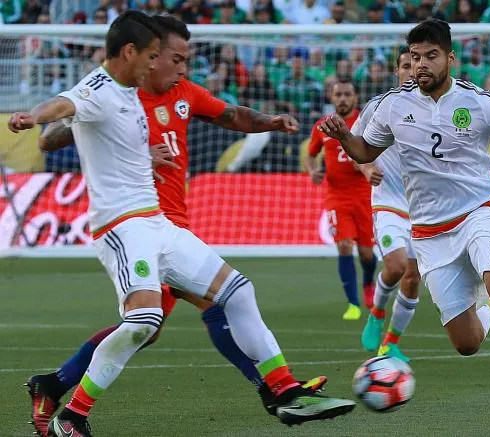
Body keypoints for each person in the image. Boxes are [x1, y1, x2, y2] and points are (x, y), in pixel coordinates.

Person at [8, 11, 354, 436]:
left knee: (237, 292)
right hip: (122, 227)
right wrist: (33, 116)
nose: (162, 65)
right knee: (144, 322)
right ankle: (73, 415)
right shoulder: (97, 88)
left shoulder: (146, 90)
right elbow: (64, 105)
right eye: (158, 56)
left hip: (159, 223)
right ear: (134, 53)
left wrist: (140, 154)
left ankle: (284, 390)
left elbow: (222, 117)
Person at [318, 19, 490, 430]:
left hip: (479, 215)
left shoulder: (476, 100)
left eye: (430, 56)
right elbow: (366, 149)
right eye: (415, 57)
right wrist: (344, 137)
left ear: (449, 57)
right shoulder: (392, 105)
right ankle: (484, 302)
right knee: (467, 343)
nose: (421, 65)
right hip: (430, 235)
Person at [355, 48, 421, 363]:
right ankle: (377, 311)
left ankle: (391, 343)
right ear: (397, 71)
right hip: (389, 201)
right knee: (395, 266)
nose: (411, 71)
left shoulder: (436, 108)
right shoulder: (378, 107)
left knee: (413, 277)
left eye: (416, 64)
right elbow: (356, 147)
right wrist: (367, 168)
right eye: (405, 66)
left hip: (424, 208)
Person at [304, 78, 378, 320]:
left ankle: (368, 283)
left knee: (367, 254)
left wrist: (367, 164)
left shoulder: (365, 122)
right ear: (332, 97)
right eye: (339, 94)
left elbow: (379, 151)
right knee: (344, 245)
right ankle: (353, 304)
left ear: (355, 97)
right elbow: (311, 154)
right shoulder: (322, 126)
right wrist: (313, 170)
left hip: (365, 195)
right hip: (336, 196)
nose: (343, 99)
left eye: (348, 94)